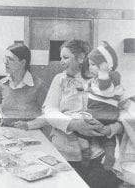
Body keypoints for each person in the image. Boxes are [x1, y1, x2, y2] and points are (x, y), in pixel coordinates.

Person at [43, 39, 123, 188]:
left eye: (65, 57)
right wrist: (73, 124)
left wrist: (111, 129)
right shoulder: (59, 79)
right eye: (61, 57)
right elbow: (49, 110)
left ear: (80, 58)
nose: (61, 62)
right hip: (65, 154)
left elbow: (121, 115)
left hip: (98, 156)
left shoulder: (104, 82)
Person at [0, 43, 48, 131]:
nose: (5, 62)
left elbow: (48, 116)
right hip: (6, 135)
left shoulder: (39, 85)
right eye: (5, 58)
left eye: (10, 59)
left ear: (23, 63)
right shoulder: (2, 84)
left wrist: (28, 125)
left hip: (31, 136)